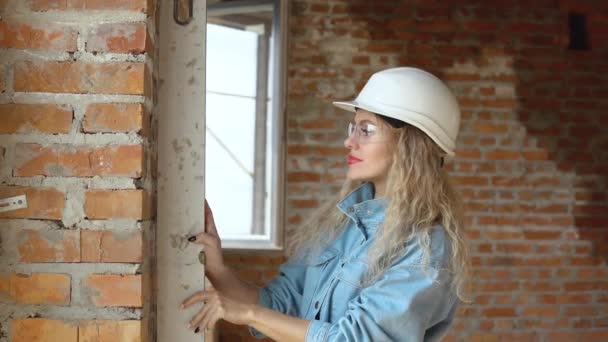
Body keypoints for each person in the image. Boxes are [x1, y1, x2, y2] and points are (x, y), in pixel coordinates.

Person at [181, 67, 470, 341]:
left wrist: (248, 313)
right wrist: (217, 268)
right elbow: (278, 306)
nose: (349, 141)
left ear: (410, 144)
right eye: (352, 127)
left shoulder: (424, 248)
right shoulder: (342, 226)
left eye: (366, 130)